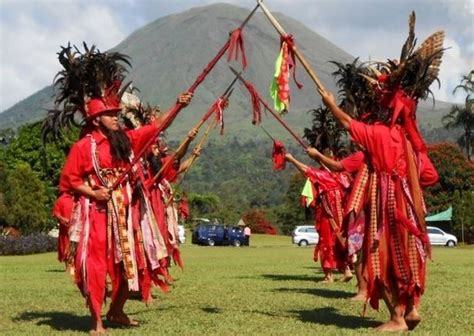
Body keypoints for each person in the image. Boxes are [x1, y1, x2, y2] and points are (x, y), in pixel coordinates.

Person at [46, 44, 192, 335]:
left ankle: (116, 310)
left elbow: (154, 130)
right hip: (97, 216)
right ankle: (96, 322)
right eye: (111, 114)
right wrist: (93, 193)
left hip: (128, 215)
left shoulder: (126, 140)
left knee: (133, 265)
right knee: (97, 268)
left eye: (117, 113)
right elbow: (69, 182)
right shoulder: (83, 148)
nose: (117, 117)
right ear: (96, 119)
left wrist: (178, 106)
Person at [285, 152, 353, 283]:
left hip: (328, 217)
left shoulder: (327, 176)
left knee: (326, 243)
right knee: (340, 243)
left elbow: (306, 170)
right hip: (343, 217)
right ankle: (346, 270)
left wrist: (292, 159)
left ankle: (329, 276)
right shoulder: (344, 177)